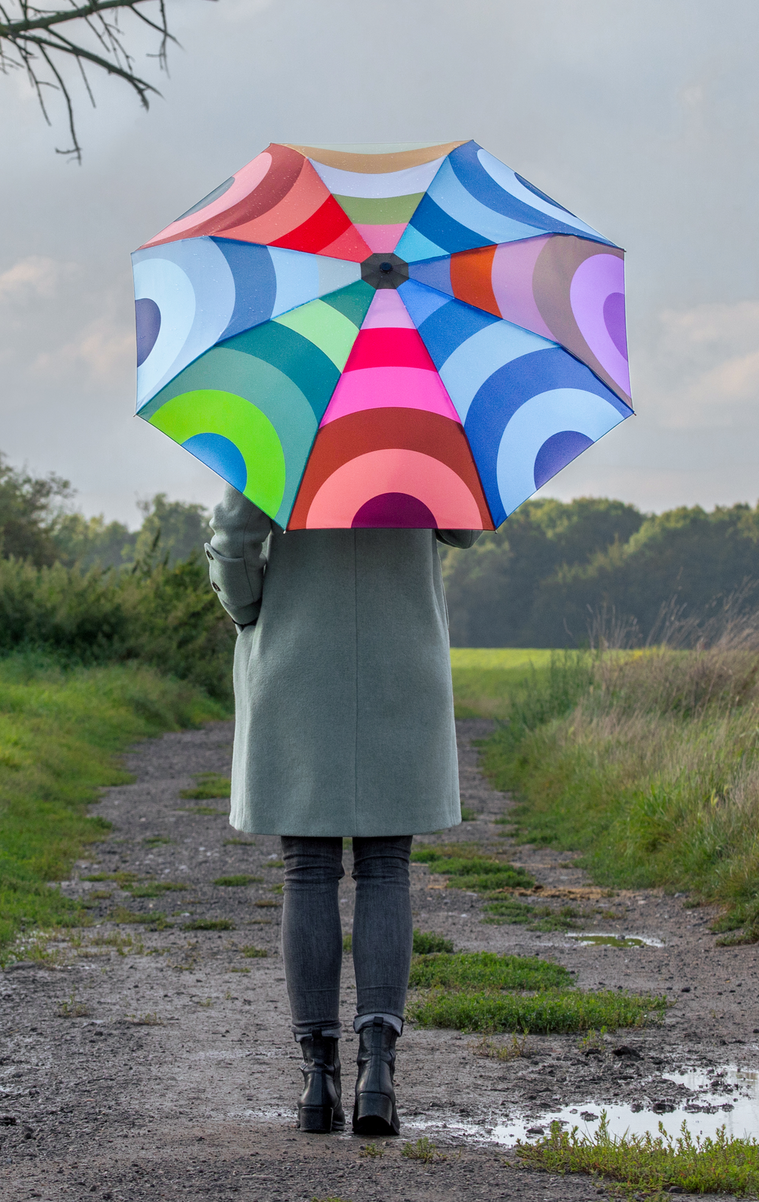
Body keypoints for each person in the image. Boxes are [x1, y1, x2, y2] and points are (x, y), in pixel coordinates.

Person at [205, 484, 479, 1135]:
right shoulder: (419, 435)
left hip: (299, 661)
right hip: (400, 660)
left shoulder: (283, 432)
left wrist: (252, 612)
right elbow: (464, 527)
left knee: (307, 868)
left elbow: (235, 537)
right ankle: (377, 1073)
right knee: (386, 867)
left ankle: (317, 1079)